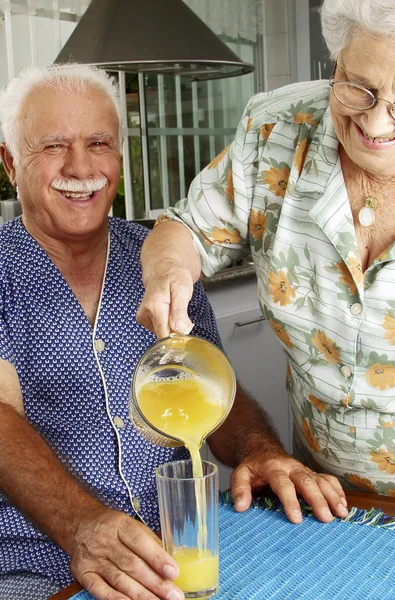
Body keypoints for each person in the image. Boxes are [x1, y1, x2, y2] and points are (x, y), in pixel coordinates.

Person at [0, 64, 347, 600]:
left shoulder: (160, 256)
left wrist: (260, 448)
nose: (81, 167)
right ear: (10, 163)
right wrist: (83, 527)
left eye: (99, 143)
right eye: (53, 146)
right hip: (40, 563)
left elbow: (210, 389)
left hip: (179, 549)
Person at [138, 0, 395, 500]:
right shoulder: (277, 130)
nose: (378, 124)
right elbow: (185, 228)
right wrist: (170, 271)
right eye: (359, 88)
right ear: (336, 61)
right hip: (325, 498)